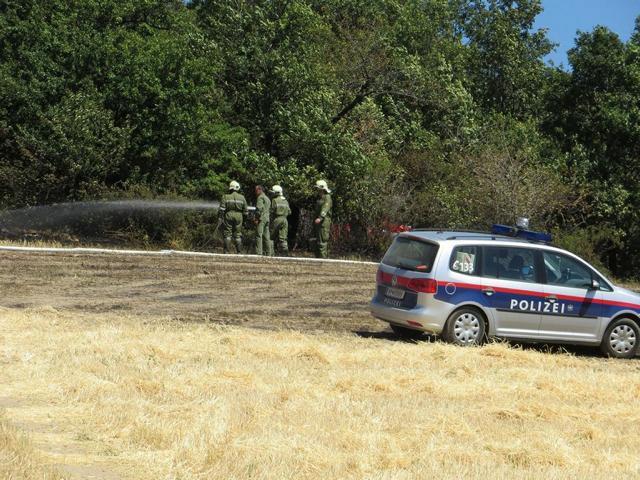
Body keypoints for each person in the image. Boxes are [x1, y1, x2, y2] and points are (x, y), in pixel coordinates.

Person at [219, 180, 248, 253]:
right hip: (239, 216)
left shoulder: (225, 196)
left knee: (227, 234)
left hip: (228, 215)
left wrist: (220, 217)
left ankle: (226, 251)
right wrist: (244, 220)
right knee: (238, 235)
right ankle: (239, 252)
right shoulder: (242, 197)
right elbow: (246, 211)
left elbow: (222, 209)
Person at [313, 179, 332, 258]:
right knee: (317, 241)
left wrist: (320, 218)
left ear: (322, 189)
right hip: (318, 222)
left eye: (318, 189)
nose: (317, 190)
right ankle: (317, 259)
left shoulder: (327, 197)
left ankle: (323, 260)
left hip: (324, 222)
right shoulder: (320, 198)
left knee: (322, 242)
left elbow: (325, 208)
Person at [270, 185, 291, 256]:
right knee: (283, 238)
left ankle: (270, 253)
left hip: (277, 219)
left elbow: (272, 211)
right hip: (285, 220)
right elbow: (289, 212)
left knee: (271, 236)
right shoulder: (285, 201)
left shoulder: (274, 200)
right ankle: (285, 253)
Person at [254, 185, 273, 256]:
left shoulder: (260, 197)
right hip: (267, 218)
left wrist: (256, 218)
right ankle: (268, 253)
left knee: (259, 235)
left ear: (260, 190)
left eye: (256, 190)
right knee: (267, 236)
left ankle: (259, 253)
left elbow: (259, 209)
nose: (255, 192)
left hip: (261, 219)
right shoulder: (267, 198)